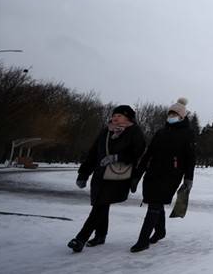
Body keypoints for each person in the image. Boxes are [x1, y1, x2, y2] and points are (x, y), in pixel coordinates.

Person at [68, 105, 146, 252]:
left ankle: (80, 239)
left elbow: (138, 151)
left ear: (128, 118)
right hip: (100, 174)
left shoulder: (134, 131)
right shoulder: (106, 131)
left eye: (120, 115)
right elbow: (93, 152)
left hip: (118, 176)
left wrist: (118, 157)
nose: (115, 117)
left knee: (101, 205)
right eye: (114, 115)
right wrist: (84, 173)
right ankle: (100, 235)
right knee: (100, 204)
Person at [130, 97, 195, 252]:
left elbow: (190, 157)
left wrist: (188, 178)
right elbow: (149, 153)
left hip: (172, 174)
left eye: (175, 114)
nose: (171, 116)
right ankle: (160, 231)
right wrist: (138, 174)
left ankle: (143, 240)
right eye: (170, 113)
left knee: (155, 204)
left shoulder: (188, 134)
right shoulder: (161, 132)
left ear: (182, 117)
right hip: (153, 172)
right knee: (155, 202)